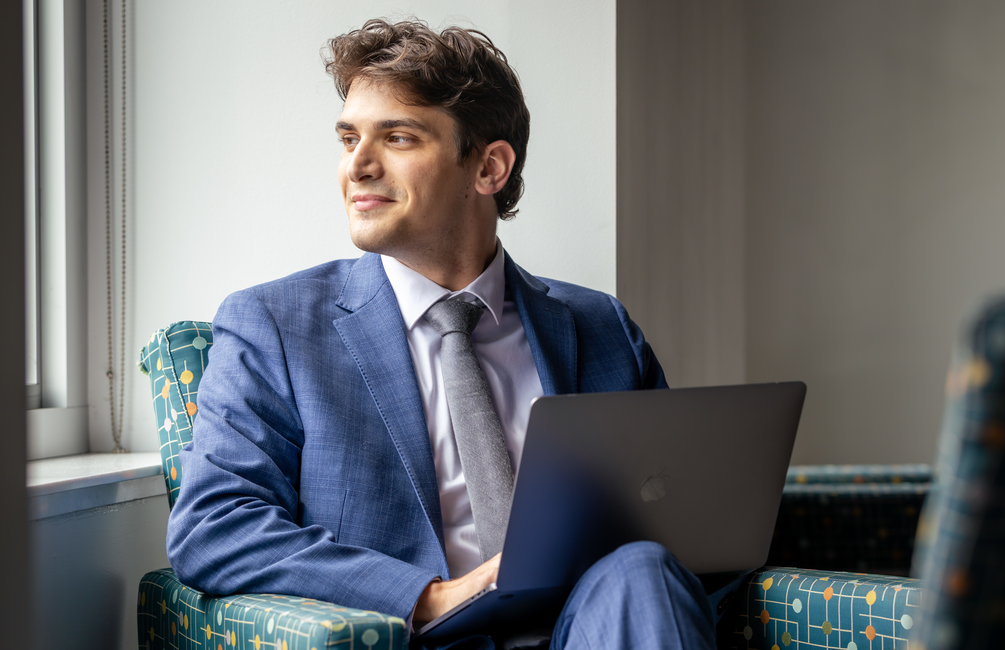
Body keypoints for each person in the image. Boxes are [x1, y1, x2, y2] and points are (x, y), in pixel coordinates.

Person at [167, 18, 737, 650]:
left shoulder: (601, 328)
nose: (357, 166)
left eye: (399, 137)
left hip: (599, 629)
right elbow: (215, 528)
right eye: (349, 138)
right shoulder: (274, 327)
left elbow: (678, 525)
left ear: (489, 167)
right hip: (418, 634)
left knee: (644, 571)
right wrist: (427, 595)